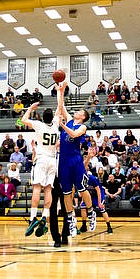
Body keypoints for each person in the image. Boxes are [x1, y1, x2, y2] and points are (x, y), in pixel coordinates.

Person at [55, 81, 96, 237]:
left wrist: (62, 126)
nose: (76, 112)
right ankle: (71, 220)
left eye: (79, 111)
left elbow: (73, 135)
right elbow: (61, 106)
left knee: (82, 189)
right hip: (63, 162)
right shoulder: (69, 119)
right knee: (66, 193)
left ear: (83, 117)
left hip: (76, 161)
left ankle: (91, 213)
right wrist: (61, 91)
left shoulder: (82, 127)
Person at [22, 102, 59, 238]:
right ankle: (44, 216)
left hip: (42, 158)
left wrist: (31, 108)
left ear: (42, 118)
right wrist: (60, 92)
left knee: (37, 188)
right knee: (48, 189)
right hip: (52, 160)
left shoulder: (39, 125)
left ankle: (33, 218)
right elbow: (59, 109)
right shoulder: (55, 126)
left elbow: (23, 120)